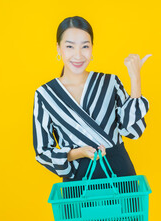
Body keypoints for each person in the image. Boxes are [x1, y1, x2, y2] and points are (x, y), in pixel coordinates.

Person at [32, 16, 151, 183]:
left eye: (85, 46)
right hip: (78, 181)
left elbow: (133, 131)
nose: (78, 55)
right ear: (58, 48)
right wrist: (79, 153)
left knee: (128, 210)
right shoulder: (45, 95)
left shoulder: (110, 83)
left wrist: (135, 78)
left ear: (92, 48)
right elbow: (42, 151)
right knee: (78, 211)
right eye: (70, 46)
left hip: (120, 173)